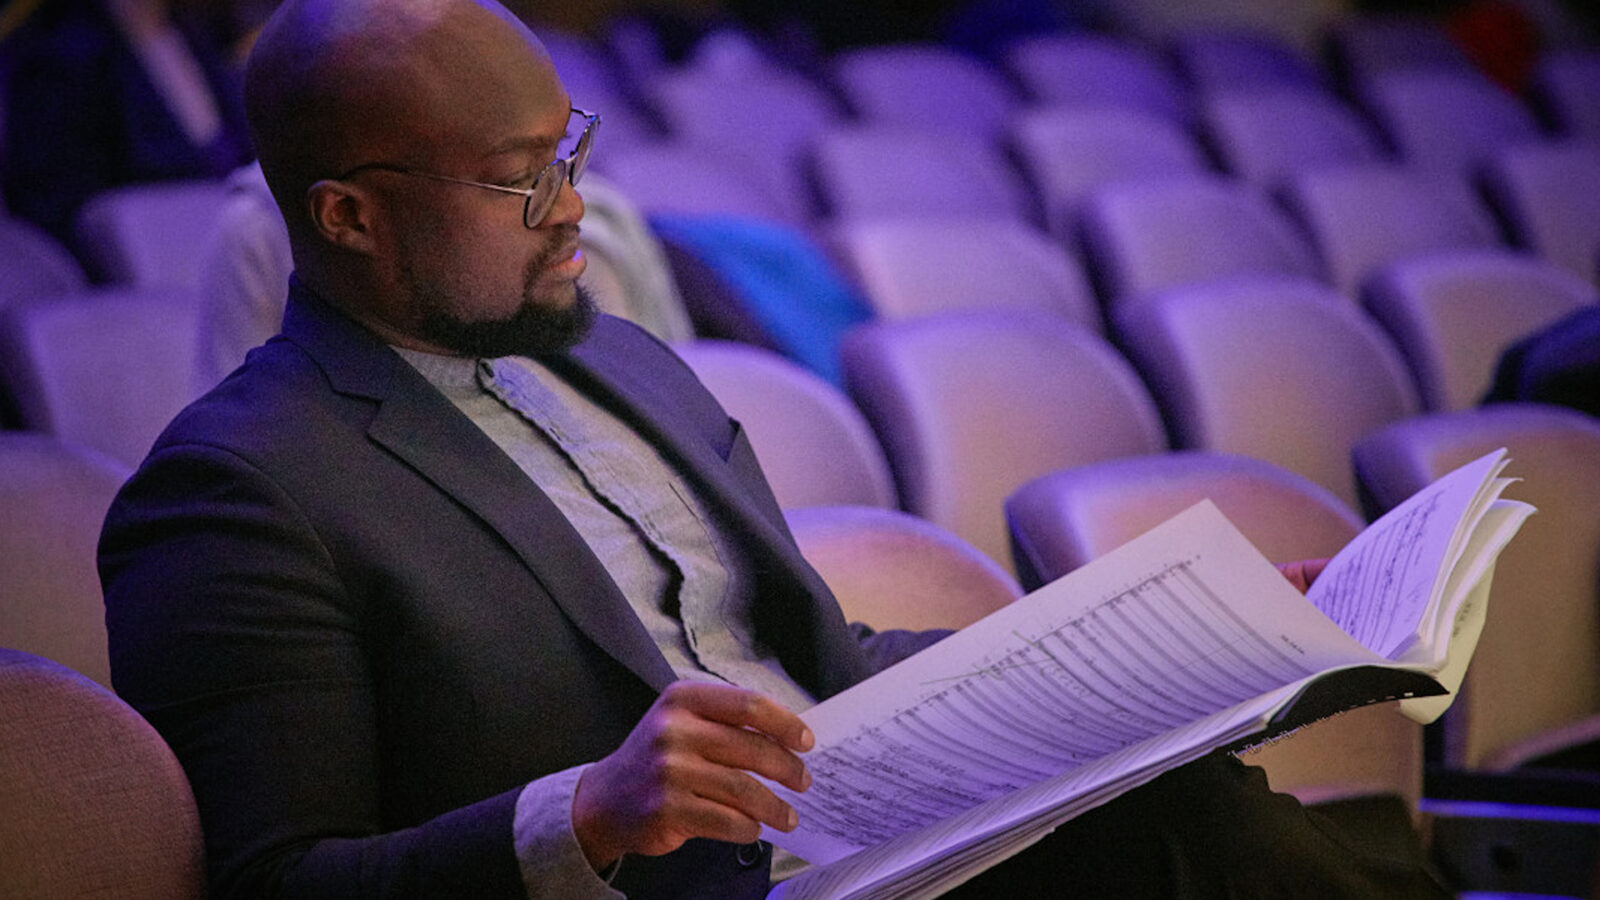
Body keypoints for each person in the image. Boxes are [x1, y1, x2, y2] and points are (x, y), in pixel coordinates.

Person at [97, 0, 1450, 897]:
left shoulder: (620, 359)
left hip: (866, 848)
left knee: (1206, 806)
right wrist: (585, 813)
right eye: (522, 181)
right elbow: (278, 882)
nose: (575, 210)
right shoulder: (237, 489)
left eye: (568, 149)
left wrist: (1163, 645)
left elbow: (819, 668)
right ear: (345, 218)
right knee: (1205, 847)